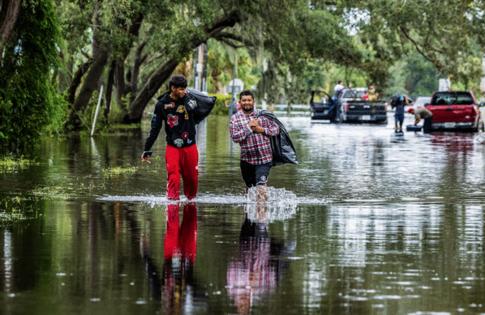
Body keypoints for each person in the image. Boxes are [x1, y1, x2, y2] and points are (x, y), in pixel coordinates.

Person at [141, 75, 201, 200]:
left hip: (190, 146)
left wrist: (187, 101)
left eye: (184, 88)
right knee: (174, 177)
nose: (183, 91)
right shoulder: (162, 104)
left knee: (192, 179)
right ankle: (172, 205)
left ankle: (191, 204)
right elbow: (155, 129)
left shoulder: (190, 99)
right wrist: (147, 149)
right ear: (172, 88)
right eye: (180, 89)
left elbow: (199, 114)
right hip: (172, 147)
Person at [229, 90, 279, 198]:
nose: (247, 102)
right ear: (240, 102)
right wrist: (249, 128)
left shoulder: (263, 115)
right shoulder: (235, 119)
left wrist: (261, 129)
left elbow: (276, 129)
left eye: (249, 100)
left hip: (264, 159)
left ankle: (261, 213)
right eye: (244, 100)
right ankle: (248, 214)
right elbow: (235, 138)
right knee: (250, 189)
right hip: (247, 160)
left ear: (253, 101)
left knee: (261, 187)